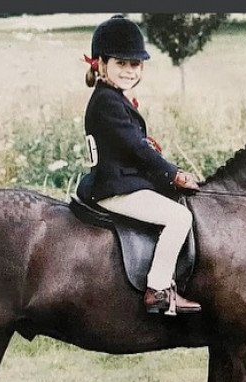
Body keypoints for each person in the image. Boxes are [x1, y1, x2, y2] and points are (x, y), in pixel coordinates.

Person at [76, 15, 202, 315]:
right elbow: (136, 149)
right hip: (116, 187)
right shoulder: (107, 102)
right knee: (179, 218)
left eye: (135, 65)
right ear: (101, 64)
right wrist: (175, 174)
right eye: (121, 64)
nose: (129, 71)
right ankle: (158, 289)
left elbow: (133, 147)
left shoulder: (113, 98)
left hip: (121, 180)